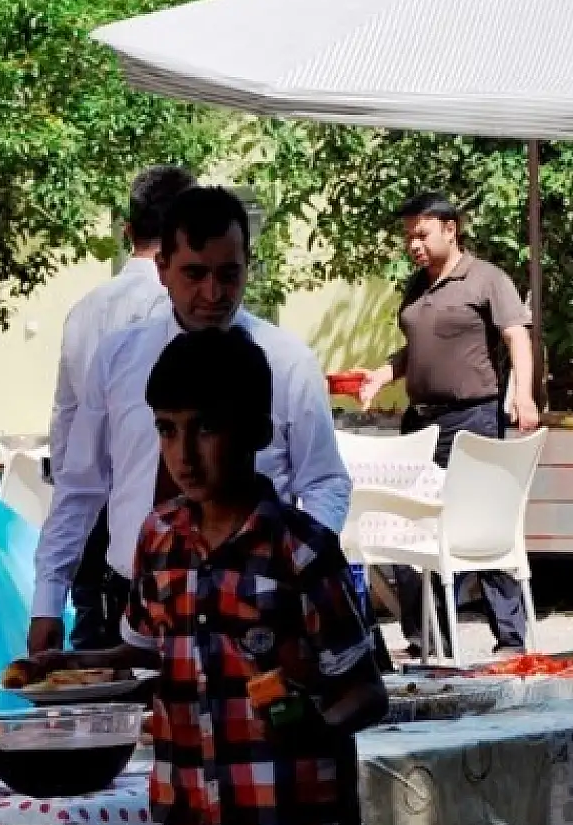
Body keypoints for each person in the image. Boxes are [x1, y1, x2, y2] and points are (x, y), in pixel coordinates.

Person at [22, 327, 387, 825]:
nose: (183, 454)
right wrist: (68, 665)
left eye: (205, 428)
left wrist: (316, 724)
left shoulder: (302, 551)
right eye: (167, 430)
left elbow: (367, 692)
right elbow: (147, 656)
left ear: (257, 432)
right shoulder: (158, 539)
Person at [29, 186, 352, 656]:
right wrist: (47, 600)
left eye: (228, 274)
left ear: (248, 266)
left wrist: (292, 568)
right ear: (162, 269)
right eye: (195, 273)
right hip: (136, 598)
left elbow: (323, 481)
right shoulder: (119, 357)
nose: (213, 293)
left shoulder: (287, 363)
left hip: (256, 601)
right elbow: (81, 486)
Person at [358, 192, 538, 658]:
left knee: (480, 518)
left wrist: (523, 394)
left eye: (421, 235)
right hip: (420, 422)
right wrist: (383, 373)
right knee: (408, 522)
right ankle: (427, 638)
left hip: (472, 417)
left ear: (450, 229)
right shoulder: (417, 286)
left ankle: (510, 638)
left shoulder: (485, 278)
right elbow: (418, 346)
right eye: (408, 237)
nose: (413, 245)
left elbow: (516, 336)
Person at [51, 164, 198, 650]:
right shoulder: (179, 310)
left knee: (100, 652)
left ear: (128, 232)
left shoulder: (84, 311)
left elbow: (66, 429)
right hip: (144, 531)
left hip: (103, 521)